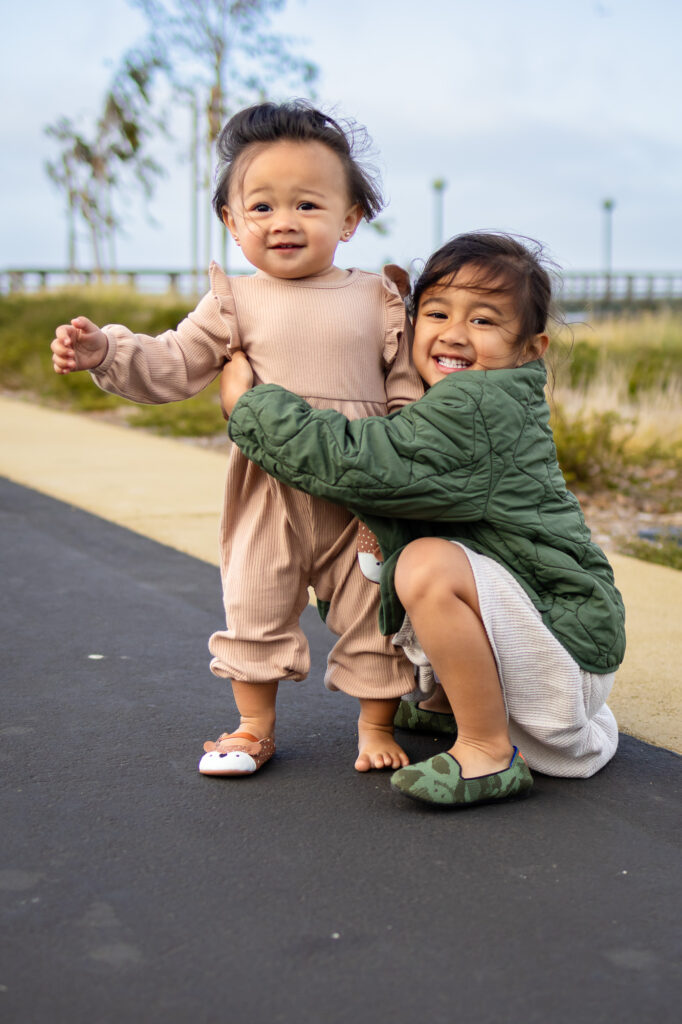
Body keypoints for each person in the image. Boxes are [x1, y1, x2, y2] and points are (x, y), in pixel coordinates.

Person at [50, 100, 423, 778]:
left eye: (308, 205)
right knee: (253, 601)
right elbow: (171, 362)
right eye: (261, 208)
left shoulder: (377, 297)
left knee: (375, 608)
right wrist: (106, 350)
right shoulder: (233, 301)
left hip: (361, 493)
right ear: (230, 221)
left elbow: (405, 388)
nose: (284, 221)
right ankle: (253, 727)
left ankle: (375, 725)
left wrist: (403, 456)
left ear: (349, 219)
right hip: (264, 491)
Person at [220, 231, 626, 809]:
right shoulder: (477, 398)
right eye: (436, 312)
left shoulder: (475, 407)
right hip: (560, 640)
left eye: (484, 321)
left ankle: (488, 749)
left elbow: (361, 463)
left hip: (563, 652)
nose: (454, 333)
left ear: (531, 349)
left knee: (425, 566)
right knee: (415, 553)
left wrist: (251, 407)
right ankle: (449, 706)